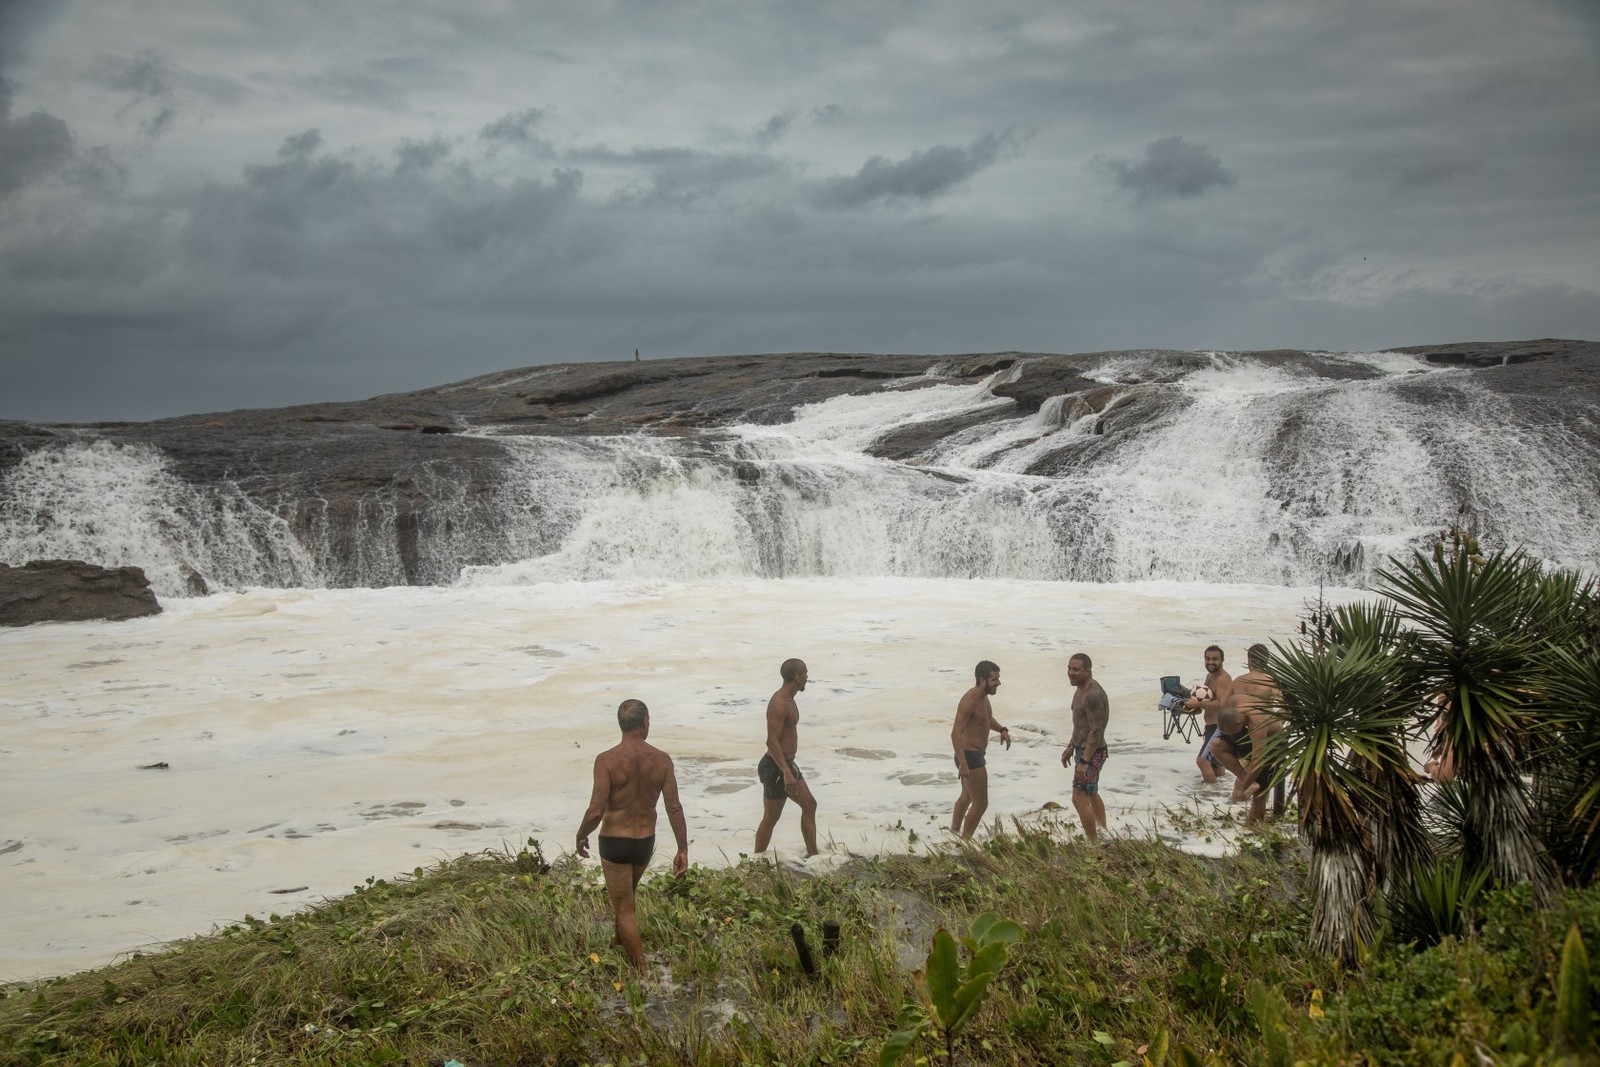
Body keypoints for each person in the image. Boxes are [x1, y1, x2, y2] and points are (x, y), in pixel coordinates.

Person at [575, 698, 689, 974]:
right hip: (643, 842)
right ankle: (618, 946)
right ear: (646, 722)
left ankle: (642, 974)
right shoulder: (661, 760)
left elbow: (595, 810)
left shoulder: (606, 760)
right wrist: (682, 848)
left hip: (615, 842)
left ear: (621, 724)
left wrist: (580, 835)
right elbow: (673, 807)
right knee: (626, 898)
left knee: (625, 907)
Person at [755, 658, 820, 857]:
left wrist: (788, 768)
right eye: (806, 673)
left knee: (808, 805)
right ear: (797, 677)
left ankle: (813, 855)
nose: (808, 677)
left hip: (785, 764)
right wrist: (786, 772)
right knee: (772, 817)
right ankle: (756, 858)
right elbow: (771, 741)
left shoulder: (790, 700)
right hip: (776, 766)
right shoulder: (780, 703)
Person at [1223, 643, 1285, 826]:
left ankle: (1252, 827)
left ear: (1248, 660)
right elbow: (1284, 706)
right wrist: (1278, 723)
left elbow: (1225, 707)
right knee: (1261, 791)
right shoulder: (1270, 681)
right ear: (1267, 661)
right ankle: (1253, 829)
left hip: (1243, 734)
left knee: (1245, 782)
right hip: (1266, 736)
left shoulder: (1238, 681)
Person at [950, 660, 1011, 839]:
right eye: (994, 680)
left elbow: (987, 719)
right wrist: (963, 764)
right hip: (969, 757)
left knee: (967, 796)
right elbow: (955, 734)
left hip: (971, 756)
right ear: (981, 680)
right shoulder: (969, 701)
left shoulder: (984, 698)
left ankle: (954, 832)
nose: (998, 683)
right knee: (981, 803)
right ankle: (965, 841)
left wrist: (1002, 729)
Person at [1061, 652, 1110, 843]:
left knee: (1079, 798)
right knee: (1091, 792)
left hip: (1093, 753)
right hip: (1083, 750)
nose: (1071, 673)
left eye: (1076, 669)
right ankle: (1102, 831)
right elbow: (1081, 725)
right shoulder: (1080, 688)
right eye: (1069, 668)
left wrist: (1084, 761)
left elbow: (1096, 730)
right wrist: (1070, 746)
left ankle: (1094, 842)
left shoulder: (1093, 694)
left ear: (1087, 671)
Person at [1188, 645, 1234, 783]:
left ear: (1222, 660)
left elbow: (1222, 705)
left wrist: (1197, 704)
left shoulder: (1223, 679)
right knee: (1216, 765)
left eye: (1215, 659)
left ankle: (1210, 795)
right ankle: (1221, 792)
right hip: (1211, 726)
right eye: (1207, 659)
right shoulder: (1210, 676)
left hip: (1219, 727)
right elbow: (1206, 699)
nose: (1210, 662)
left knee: (1202, 761)